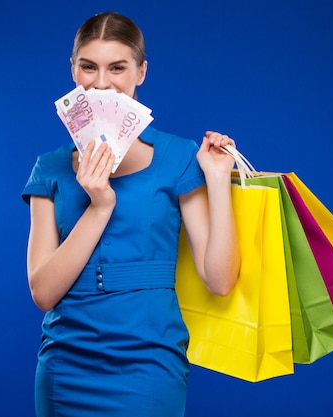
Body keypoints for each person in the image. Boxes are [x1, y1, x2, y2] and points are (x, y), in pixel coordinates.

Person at [21, 11, 240, 417]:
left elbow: (221, 280)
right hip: (66, 369)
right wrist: (100, 205)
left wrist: (217, 180)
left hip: (151, 366)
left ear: (141, 72)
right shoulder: (49, 168)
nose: (101, 83)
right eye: (89, 67)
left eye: (117, 68)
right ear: (73, 70)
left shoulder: (177, 157)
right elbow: (43, 292)